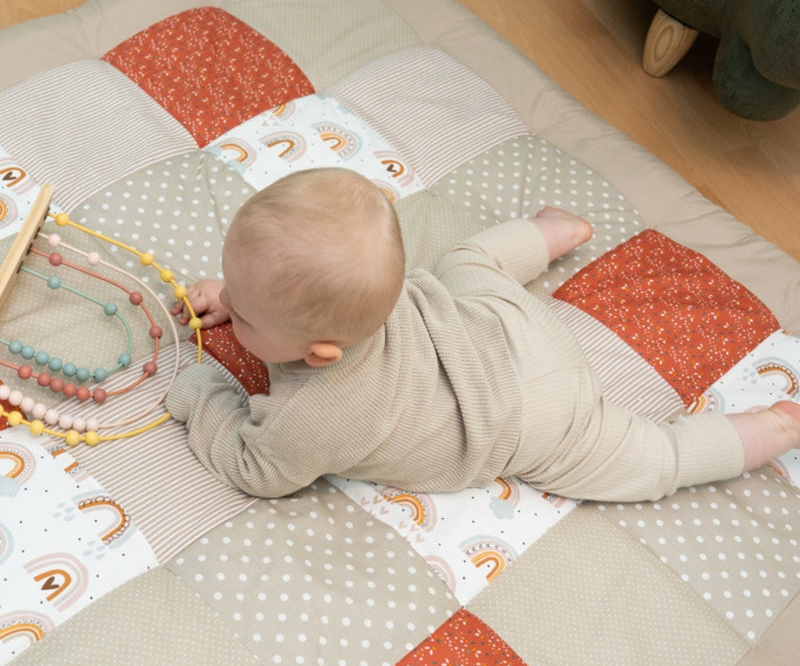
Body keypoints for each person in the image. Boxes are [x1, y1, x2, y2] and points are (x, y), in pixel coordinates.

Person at [167, 166, 800, 502]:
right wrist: (235, 298)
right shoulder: (364, 298)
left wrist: (202, 394)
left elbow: (256, 469)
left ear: (320, 353)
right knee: (469, 262)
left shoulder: (308, 417)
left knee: (655, 459)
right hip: (510, 327)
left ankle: (767, 431)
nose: (227, 302)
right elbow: (280, 300)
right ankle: (554, 232)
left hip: (536, 421)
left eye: (241, 314)